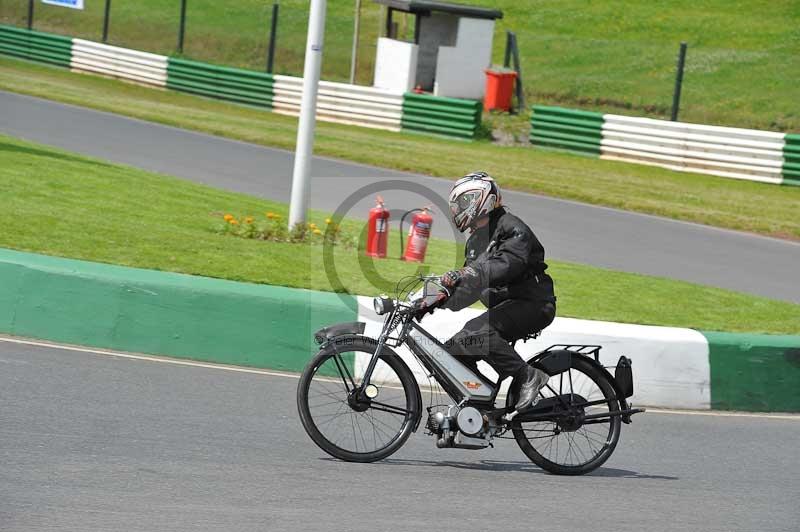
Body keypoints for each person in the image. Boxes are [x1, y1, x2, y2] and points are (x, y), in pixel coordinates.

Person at [425, 172, 556, 411]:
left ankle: (529, 376)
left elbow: (507, 264)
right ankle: (483, 408)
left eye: (462, 202)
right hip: (505, 307)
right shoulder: (475, 242)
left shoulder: (512, 228)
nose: (457, 209)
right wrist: (436, 299)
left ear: (481, 199)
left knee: (479, 330)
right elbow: (468, 290)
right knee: (452, 351)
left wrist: (468, 272)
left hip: (533, 304)